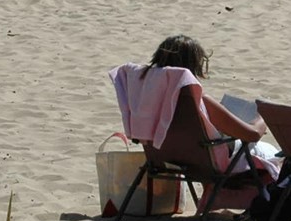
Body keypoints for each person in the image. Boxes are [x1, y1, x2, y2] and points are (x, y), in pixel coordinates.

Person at [114, 35, 272, 211]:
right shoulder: (199, 102)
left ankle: (216, 196)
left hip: (162, 158)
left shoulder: (147, 100)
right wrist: (263, 116)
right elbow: (253, 134)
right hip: (208, 163)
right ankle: (236, 199)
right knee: (270, 152)